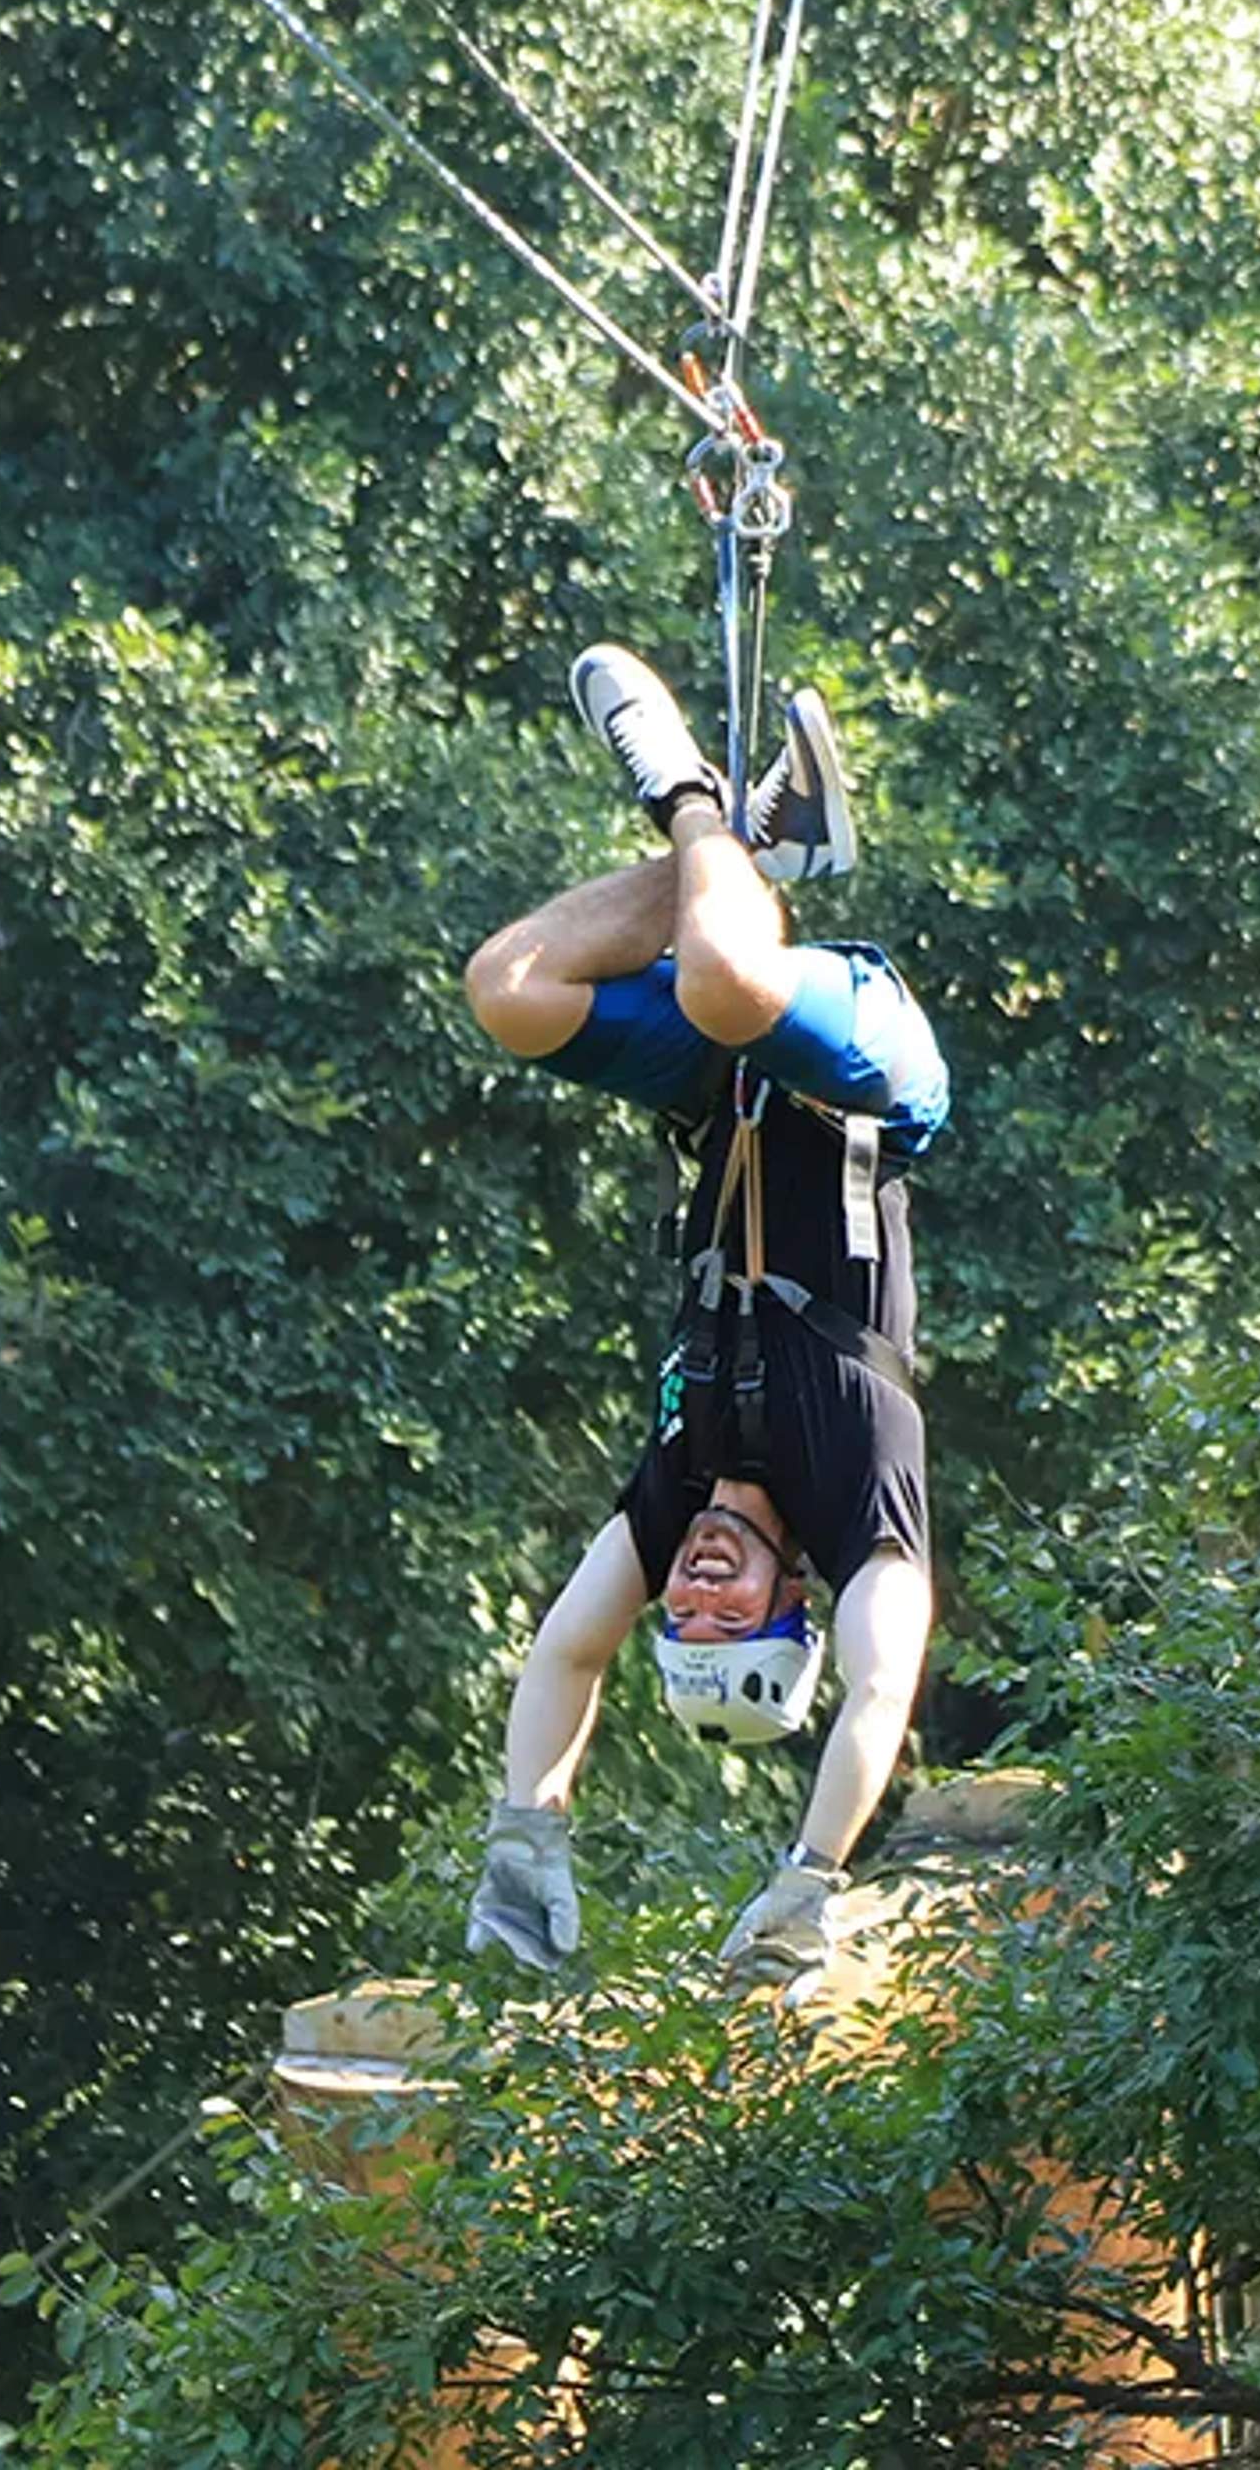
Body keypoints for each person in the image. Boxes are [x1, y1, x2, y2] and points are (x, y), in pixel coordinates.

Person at [455, 642, 949, 1992]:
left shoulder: (680, 1501)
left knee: (508, 989)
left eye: (686, 1617)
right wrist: (811, 1876)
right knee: (725, 974)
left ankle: (731, 827)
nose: (695, 1589)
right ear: (796, 1607)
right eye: (733, 1614)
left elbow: (565, 1654)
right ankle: (711, 826)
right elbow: (883, 1695)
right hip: (862, 1076)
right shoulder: (864, 1510)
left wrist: (527, 1839)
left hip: (715, 1084)